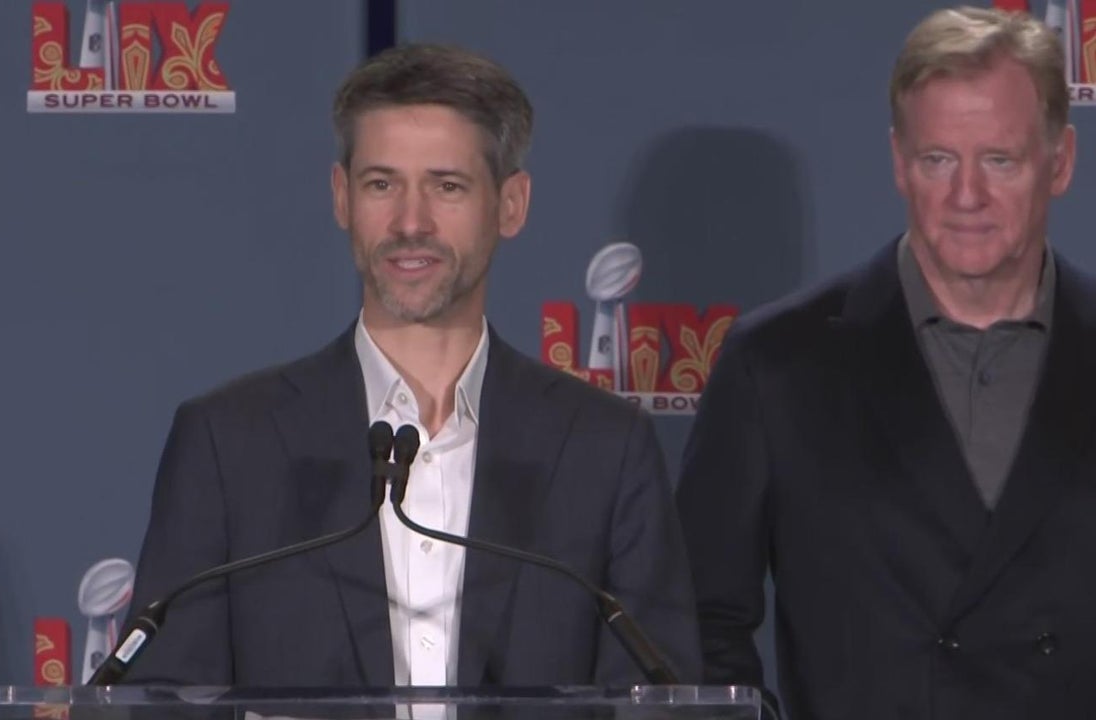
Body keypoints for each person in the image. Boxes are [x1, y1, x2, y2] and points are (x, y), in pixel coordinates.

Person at [122, 43, 701, 689]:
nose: (409, 223)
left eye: (447, 186)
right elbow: (161, 696)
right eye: (381, 184)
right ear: (342, 198)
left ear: (511, 204)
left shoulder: (604, 448)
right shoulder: (230, 441)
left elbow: (658, 697)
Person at [676, 5, 1092, 718]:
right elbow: (695, 625)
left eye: (1000, 160)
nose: (967, 196)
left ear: (1060, 162)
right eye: (938, 160)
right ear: (900, 163)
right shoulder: (776, 365)